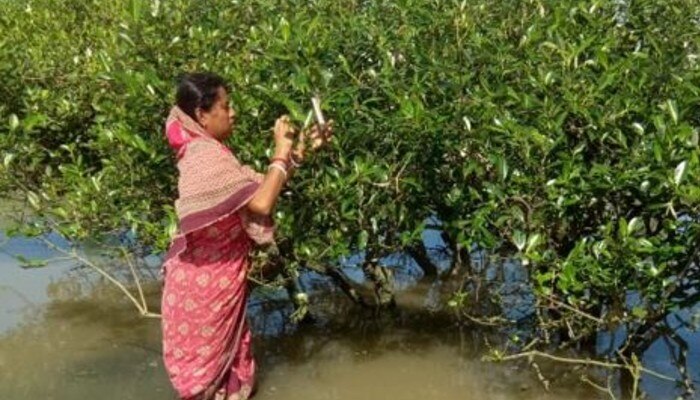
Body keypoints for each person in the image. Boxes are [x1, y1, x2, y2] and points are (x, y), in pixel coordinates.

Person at [160, 72, 331, 400]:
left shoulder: (210, 152)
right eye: (226, 106)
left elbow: (258, 188)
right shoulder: (204, 156)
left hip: (213, 287)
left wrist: (301, 149)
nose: (233, 112)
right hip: (203, 293)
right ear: (202, 115)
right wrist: (281, 150)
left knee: (227, 378)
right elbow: (262, 202)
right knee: (206, 387)